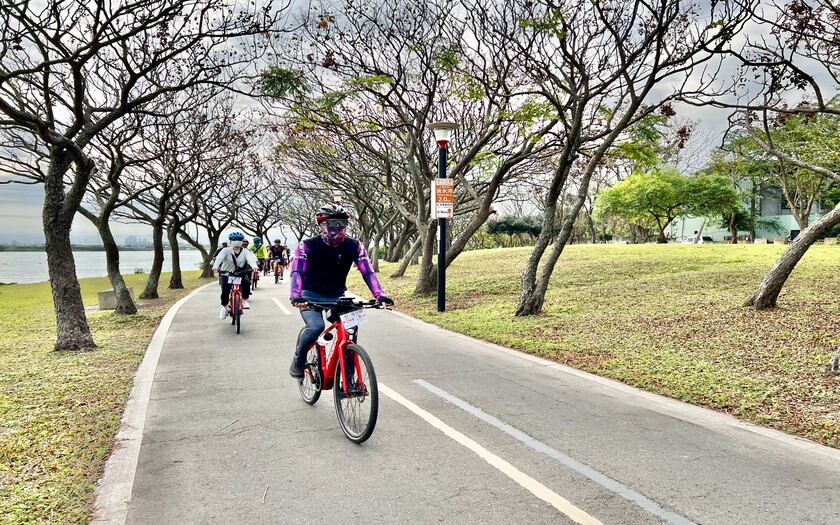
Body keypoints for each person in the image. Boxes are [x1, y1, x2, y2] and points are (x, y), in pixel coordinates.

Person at [288, 204, 393, 378]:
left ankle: (349, 381)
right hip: (310, 295)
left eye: (342, 223)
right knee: (316, 327)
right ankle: (299, 358)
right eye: (332, 223)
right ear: (322, 224)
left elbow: (368, 272)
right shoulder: (306, 246)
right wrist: (295, 295)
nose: (337, 227)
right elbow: (297, 272)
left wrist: (380, 295)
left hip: (338, 295)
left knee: (350, 330)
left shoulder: (354, 246)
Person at [213, 231, 259, 318]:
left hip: (240, 274)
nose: (237, 241)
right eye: (234, 239)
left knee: (246, 284)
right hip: (227, 274)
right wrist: (215, 266)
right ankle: (224, 307)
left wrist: (254, 266)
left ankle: (244, 301)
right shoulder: (225, 250)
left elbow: (250, 259)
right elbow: (219, 259)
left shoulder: (246, 251)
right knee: (225, 292)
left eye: (239, 239)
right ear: (231, 241)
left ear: (242, 241)